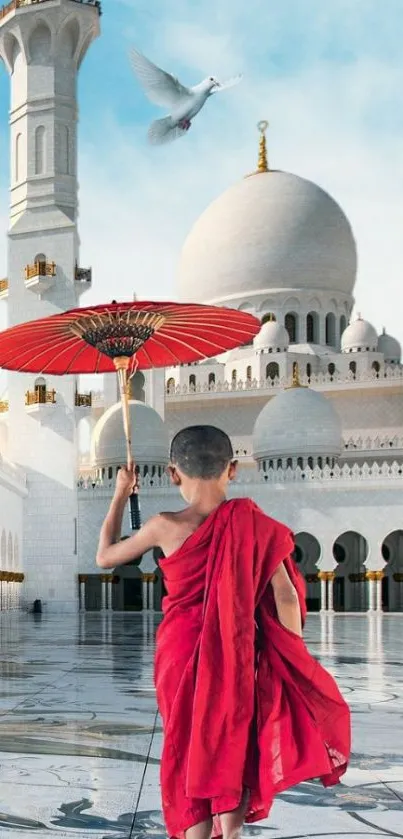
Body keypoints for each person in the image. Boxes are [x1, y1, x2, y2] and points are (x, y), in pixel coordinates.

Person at [96, 425, 351, 839]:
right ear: (232, 469)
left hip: (178, 656)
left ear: (173, 474)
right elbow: (286, 598)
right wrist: (289, 655)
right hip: (236, 653)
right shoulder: (261, 526)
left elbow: (105, 556)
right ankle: (228, 833)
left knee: (187, 742)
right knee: (233, 737)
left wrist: (121, 494)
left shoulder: (163, 525)